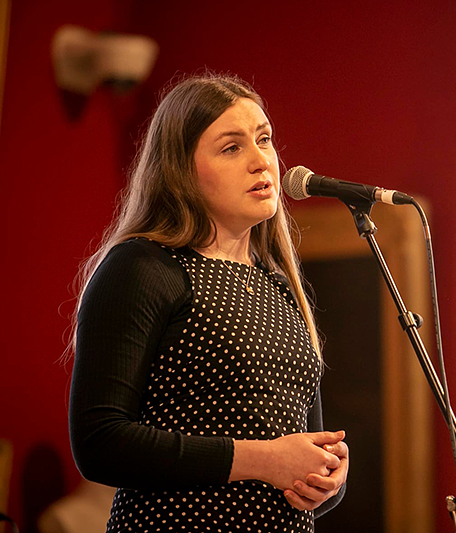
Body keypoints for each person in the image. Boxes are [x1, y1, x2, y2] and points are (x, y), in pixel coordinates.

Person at [68, 73, 348, 533]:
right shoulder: (143, 267)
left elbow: (298, 459)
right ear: (181, 170)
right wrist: (261, 459)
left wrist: (328, 476)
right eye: (232, 147)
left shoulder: (280, 288)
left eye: (264, 139)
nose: (262, 161)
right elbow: (100, 442)